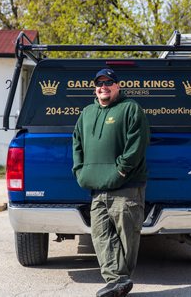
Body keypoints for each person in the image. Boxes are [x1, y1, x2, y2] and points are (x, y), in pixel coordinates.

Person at [72, 68, 150, 297]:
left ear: (117, 86)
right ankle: (117, 281)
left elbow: (137, 143)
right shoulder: (87, 112)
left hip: (126, 187)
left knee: (127, 236)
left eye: (109, 82)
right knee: (100, 235)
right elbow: (76, 142)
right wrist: (79, 169)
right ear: (95, 88)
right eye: (99, 83)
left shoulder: (130, 109)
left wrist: (122, 171)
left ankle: (119, 281)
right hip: (96, 189)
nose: (103, 86)